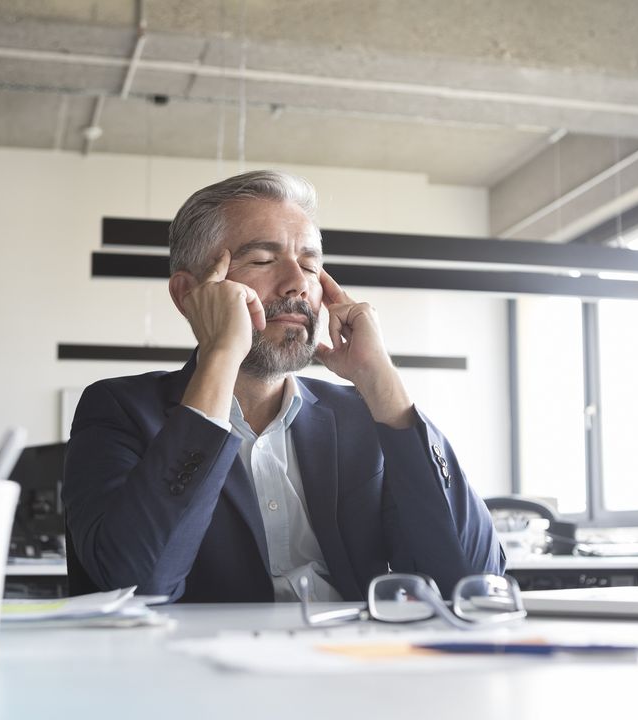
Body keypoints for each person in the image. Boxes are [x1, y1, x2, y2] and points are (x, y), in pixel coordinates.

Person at [63, 170, 503, 603]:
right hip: (196, 668)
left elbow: (474, 580)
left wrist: (380, 379)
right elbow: (136, 586)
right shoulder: (119, 409)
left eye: (311, 265)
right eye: (262, 260)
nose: (297, 283)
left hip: (351, 665)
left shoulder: (362, 416)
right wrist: (220, 356)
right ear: (187, 294)